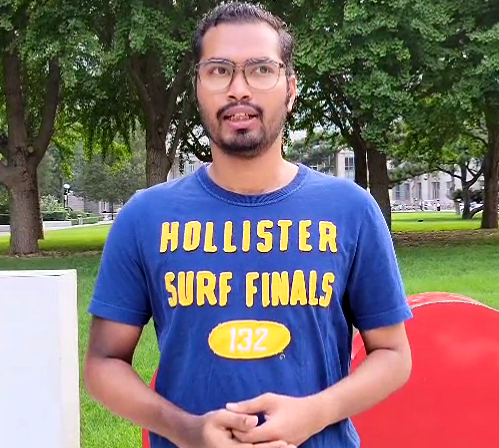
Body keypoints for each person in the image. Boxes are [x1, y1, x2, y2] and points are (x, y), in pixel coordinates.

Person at [83, 3, 413, 448]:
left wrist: (314, 413)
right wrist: (187, 430)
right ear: (198, 88)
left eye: (261, 70)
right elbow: (104, 363)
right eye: (219, 71)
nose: (239, 89)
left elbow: (393, 354)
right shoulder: (145, 217)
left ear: (290, 89)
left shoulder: (350, 210)